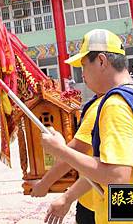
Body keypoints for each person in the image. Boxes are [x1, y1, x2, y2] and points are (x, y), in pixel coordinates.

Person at [41, 29, 133, 224]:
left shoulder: (116, 105)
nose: (82, 75)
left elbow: (117, 177)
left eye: (83, 66)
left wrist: (61, 150)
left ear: (101, 61)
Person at [31, 93, 103, 223]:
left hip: (98, 202)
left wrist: (46, 184)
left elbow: (112, 171)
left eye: (85, 70)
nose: (83, 75)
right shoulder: (132, 97)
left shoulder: (106, 106)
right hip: (97, 195)